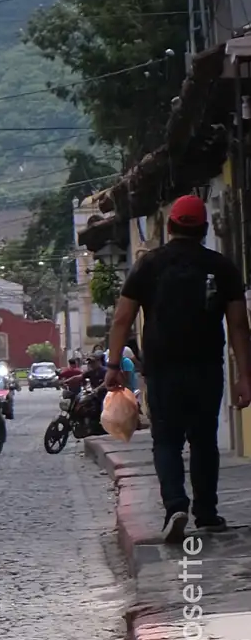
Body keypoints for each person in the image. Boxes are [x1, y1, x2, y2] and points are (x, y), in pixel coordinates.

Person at [106, 194, 251, 542]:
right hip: (206, 368)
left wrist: (113, 365)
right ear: (204, 229)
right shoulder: (223, 267)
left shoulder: (148, 265)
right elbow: (239, 326)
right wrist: (245, 375)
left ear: (170, 227)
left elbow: (123, 318)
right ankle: (207, 513)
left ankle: (175, 506)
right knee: (203, 440)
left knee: (166, 440)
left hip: (162, 368)